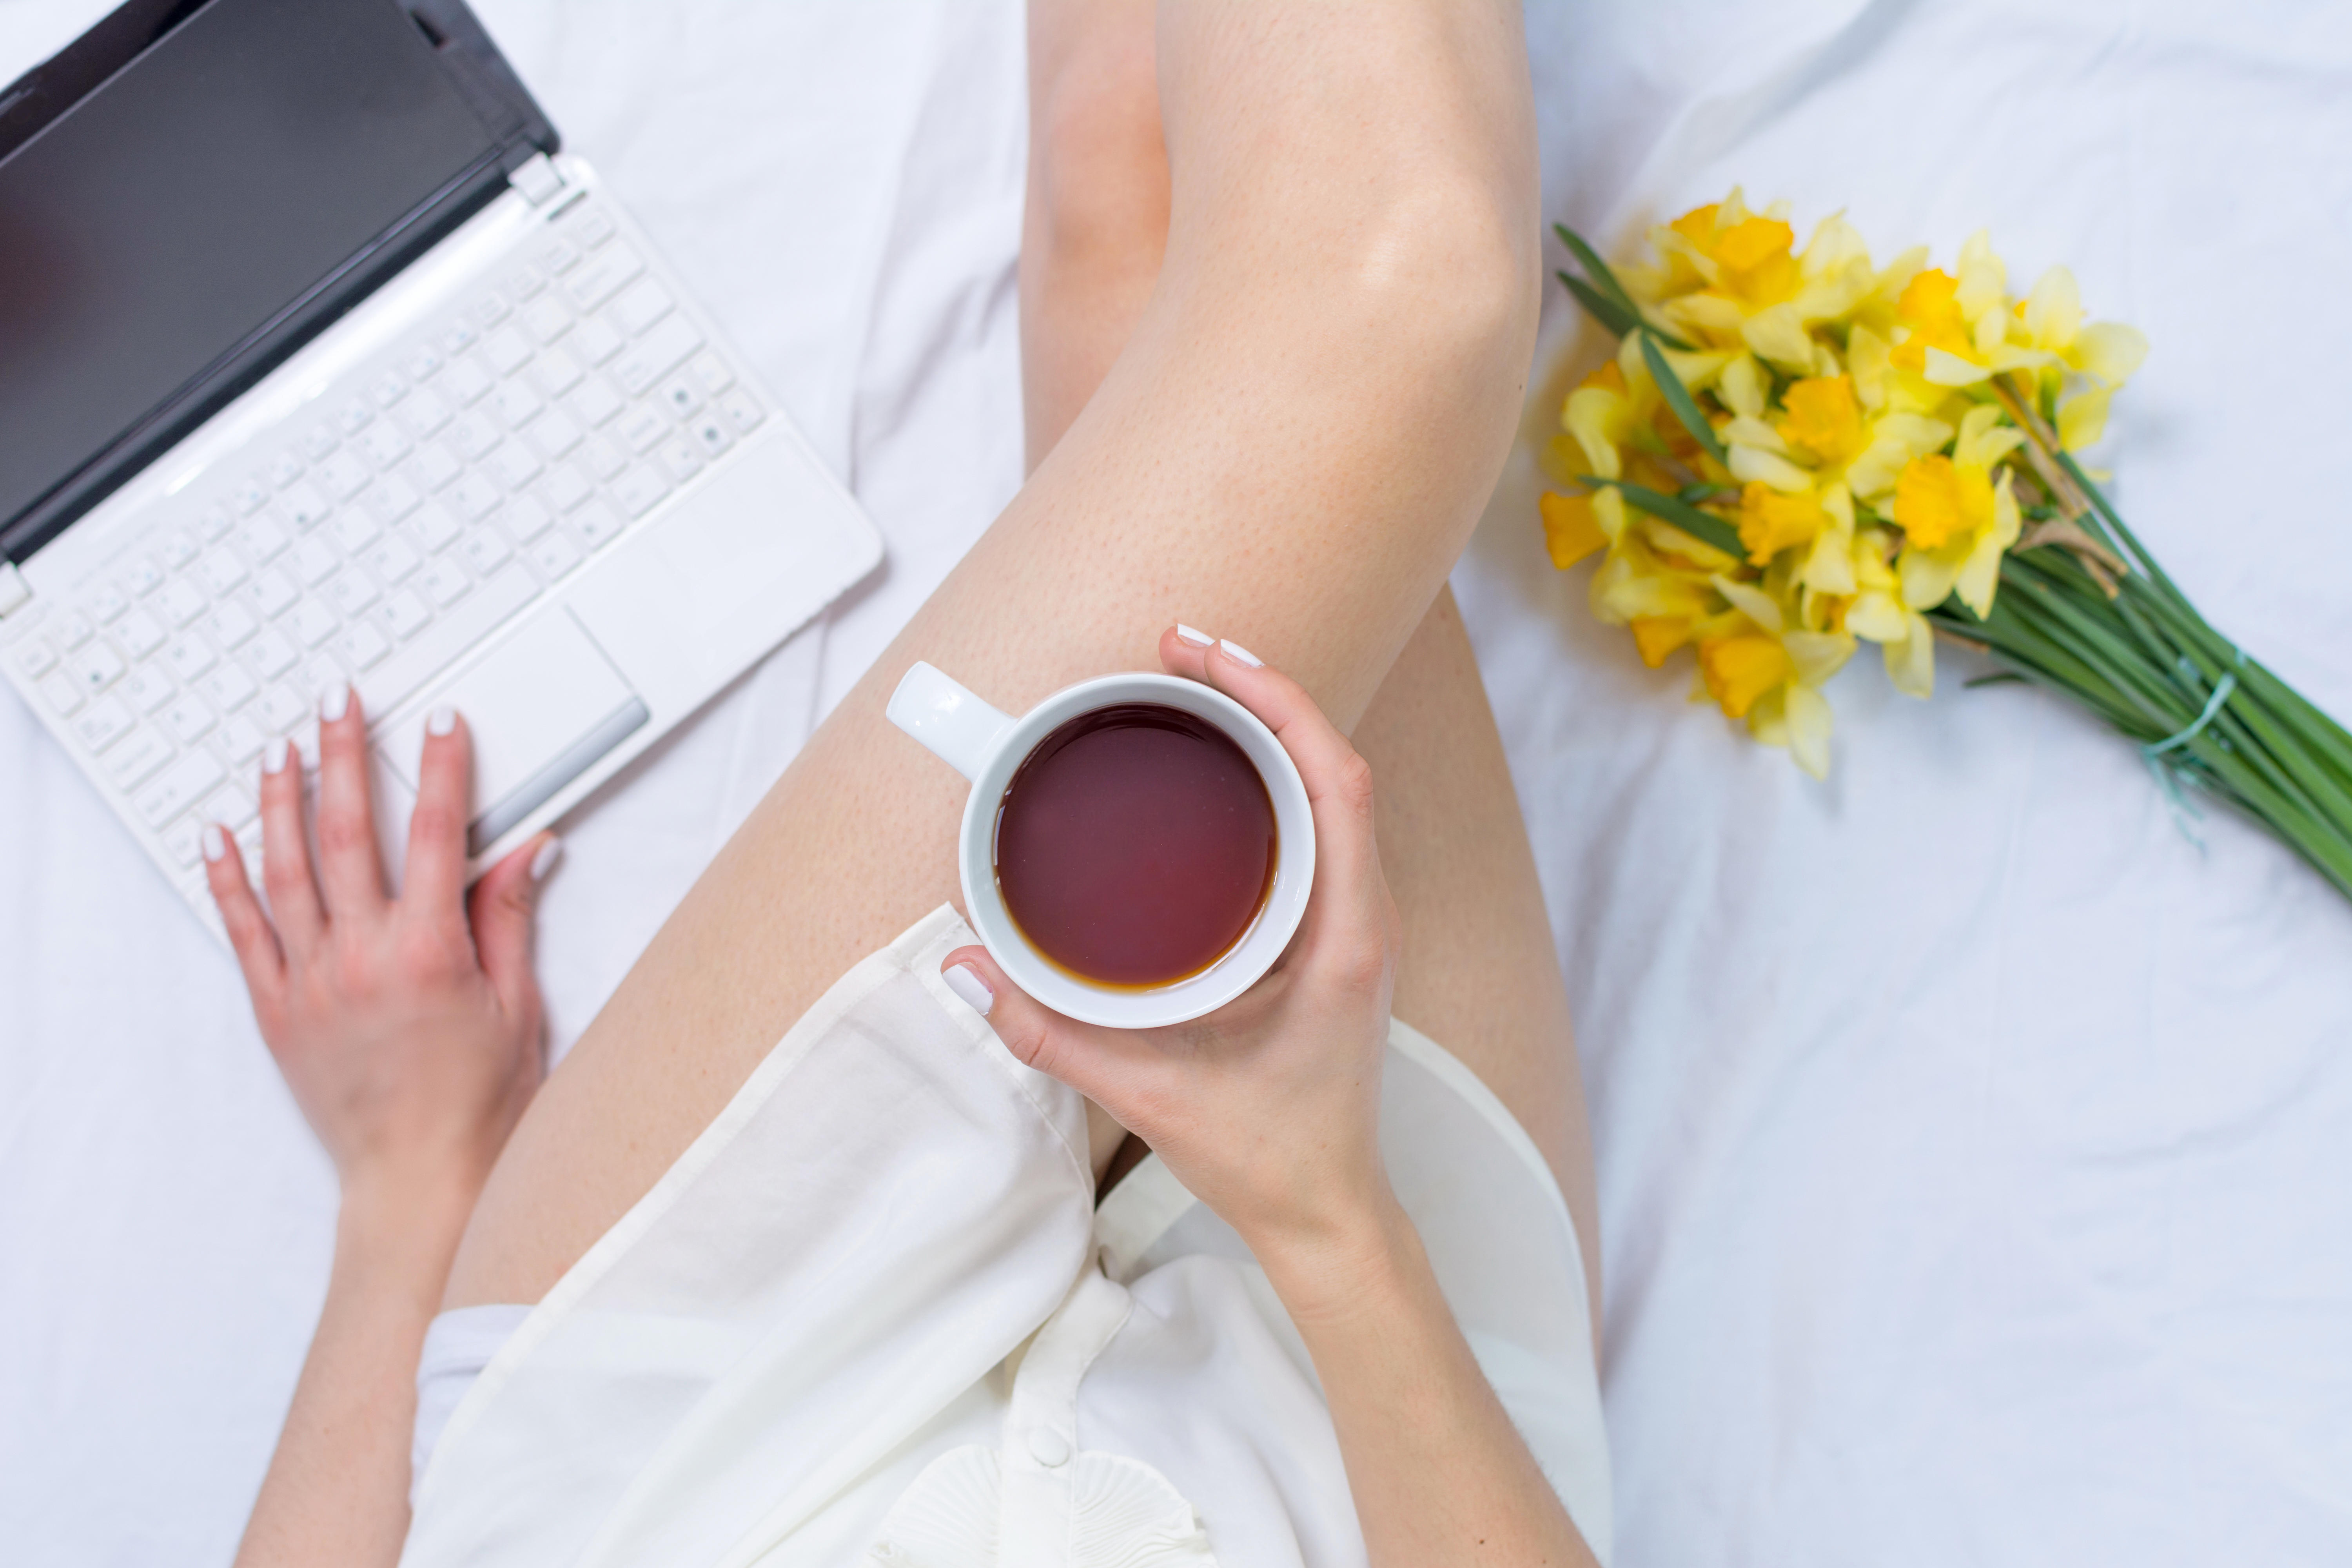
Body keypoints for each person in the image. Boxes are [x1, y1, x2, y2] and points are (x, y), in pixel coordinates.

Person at [207, 2, 1610, 1563]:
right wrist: (1333, 1221)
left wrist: (407, 1203)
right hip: (1359, 1481)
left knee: (1194, 238)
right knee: (1327, 269)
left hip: (678, 1446)